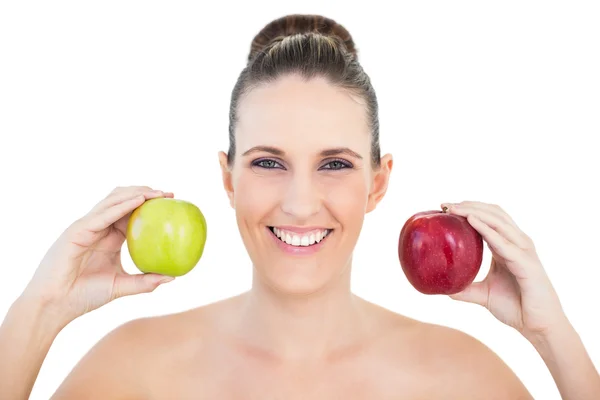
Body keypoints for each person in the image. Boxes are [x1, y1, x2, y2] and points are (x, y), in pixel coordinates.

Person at [0, 14, 598, 400]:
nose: (300, 202)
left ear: (378, 182)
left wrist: (554, 339)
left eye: (335, 164)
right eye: (267, 162)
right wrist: (40, 309)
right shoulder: (132, 371)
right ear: (227, 178)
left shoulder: (465, 380)